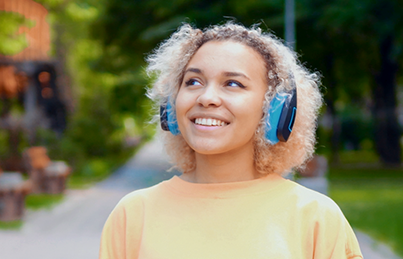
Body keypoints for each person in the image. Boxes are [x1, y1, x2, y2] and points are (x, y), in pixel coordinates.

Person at [99, 22, 363, 259]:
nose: (206, 97)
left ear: (274, 109)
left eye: (233, 84)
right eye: (193, 81)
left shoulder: (316, 217)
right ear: (171, 104)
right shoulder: (133, 215)